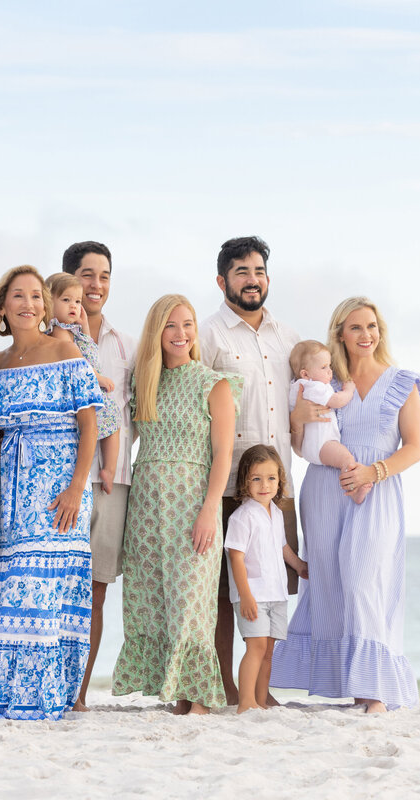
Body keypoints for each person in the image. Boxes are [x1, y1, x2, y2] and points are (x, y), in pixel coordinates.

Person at [271, 297, 420, 713]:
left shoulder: (401, 382)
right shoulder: (325, 380)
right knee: (329, 586)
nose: (366, 335)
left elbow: (414, 449)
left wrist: (372, 472)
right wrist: (299, 416)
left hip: (376, 491)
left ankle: (374, 692)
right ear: (340, 332)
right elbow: (303, 446)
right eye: (356, 327)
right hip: (323, 489)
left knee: (365, 581)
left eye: (372, 326)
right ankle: (349, 686)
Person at [0, 265, 102, 720]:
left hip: (61, 487)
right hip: (12, 491)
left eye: (37, 297)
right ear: (1, 306)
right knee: (10, 586)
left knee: (46, 588)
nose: (29, 305)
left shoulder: (65, 349)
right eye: (18, 297)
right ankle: (2, 694)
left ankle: (43, 697)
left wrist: (76, 489)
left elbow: (90, 425)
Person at [111, 294, 239, 715]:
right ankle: (174, 693)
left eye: (187, 325)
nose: (181, 334)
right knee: (152, 598)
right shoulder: (142, 383)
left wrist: (210, 509)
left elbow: (223, 455)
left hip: (192, 501)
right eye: (171, 325)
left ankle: (197, 699)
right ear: (156, 332)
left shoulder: (213, 383)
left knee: (191, 599)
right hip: (147, 502)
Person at [198, 235, 302, 706]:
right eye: (241, 272)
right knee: (222, 594)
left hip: (278, 487)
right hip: (226, 485)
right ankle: (223, 686)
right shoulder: (209, 335)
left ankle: (262, 690)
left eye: (258, 271)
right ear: (222, 281)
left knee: (274, 585)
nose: (252, 279)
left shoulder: (289, 338)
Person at [60, 240, 136, 711]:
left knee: (95, 590)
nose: (96, 285)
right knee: (55, 583)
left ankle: (81, 693)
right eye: (87, 275)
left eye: (104, 276)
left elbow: (128, 412)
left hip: (112, 480)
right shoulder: (47, 335)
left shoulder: (123, 343)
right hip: (60, 475)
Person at [225, 445, 308, 713]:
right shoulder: (242, 517)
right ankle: (245, 701)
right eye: (256, 478)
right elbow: (236, 558)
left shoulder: (276, 513)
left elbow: (282, 547)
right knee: (256, 647)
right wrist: (246, 595)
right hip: (253, 595)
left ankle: (260, 701)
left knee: (269, 651)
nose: (265, 485)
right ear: (245, 481)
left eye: (271, 478)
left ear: (280, 480)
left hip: (276, 594)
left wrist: (300, 566)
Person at [45, 272, 121, 492]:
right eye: (66, 300)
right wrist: (100, 379)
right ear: (50, 303)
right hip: (83, 390)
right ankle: (109, 469)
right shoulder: (59, 333)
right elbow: (79, 365)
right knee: (113, 419)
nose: (74, 306)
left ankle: (109, 468)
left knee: (113, 422)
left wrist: (84, 324)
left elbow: (89, 351)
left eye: (77, 301)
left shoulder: (72, 331)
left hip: (86, 388)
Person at [287, 339, 369, 504]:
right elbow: (337, 401)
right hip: (321, 444)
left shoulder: (297, 387)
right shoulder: (311, 387)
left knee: (345, 459)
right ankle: (352, 489)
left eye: (329, 366)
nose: (329, 372)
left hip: (312, 445)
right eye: (324, 367)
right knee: (346, 459)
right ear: (305, 374)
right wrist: (349, 390)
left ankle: (352, 487)